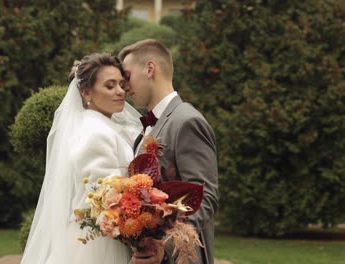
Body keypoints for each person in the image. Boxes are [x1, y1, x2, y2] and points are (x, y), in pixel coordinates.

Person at [21, 53, 142, 264]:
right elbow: (107, 197)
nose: (120, 91)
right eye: (110, 86)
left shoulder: (103, 127)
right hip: (99, 245)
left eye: (121, 85)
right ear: (86, 92)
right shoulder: (95, 133)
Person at [119, 39, 219, 264]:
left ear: (150, 69)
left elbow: (206, 197)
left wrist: (165, 247)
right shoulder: (147, 126)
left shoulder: (187, 120)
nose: (124, 86)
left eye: (127, 76)